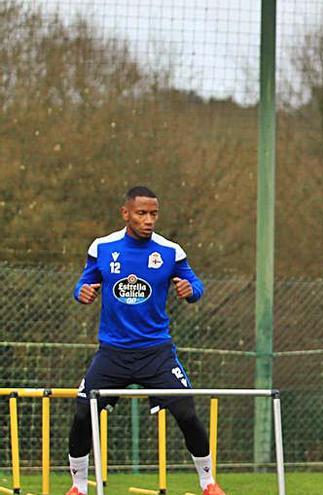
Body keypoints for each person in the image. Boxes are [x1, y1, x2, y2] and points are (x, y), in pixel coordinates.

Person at [67, 187, 222, 495]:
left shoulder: (170, 251)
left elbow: (196, 283)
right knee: (83, 413)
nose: (149, 220)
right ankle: (79, 487)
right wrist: (81, 292)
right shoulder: (102, 247)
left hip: (156, 353)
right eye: (141, 213)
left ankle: (208, 483)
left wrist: (191, 291)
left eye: (153, 214)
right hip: (113, 352)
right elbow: (85, 281)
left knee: (187, 413)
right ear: (126, 213)